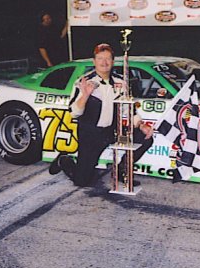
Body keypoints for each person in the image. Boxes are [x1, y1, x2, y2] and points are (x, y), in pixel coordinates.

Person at [49, 43, 153, 187]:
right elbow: (74, 113)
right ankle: (64, 160)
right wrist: (85, 96)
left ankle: (122, 171)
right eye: (100, 58)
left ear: (113, 61)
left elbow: (128, 110)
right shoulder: (83, 82)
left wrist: (141, 125)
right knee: (82, 181)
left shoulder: (120, 82)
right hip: (90, 134)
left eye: (108, 58)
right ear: (94, 61)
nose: (104, 62)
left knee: (145, 138)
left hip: (112, 131)